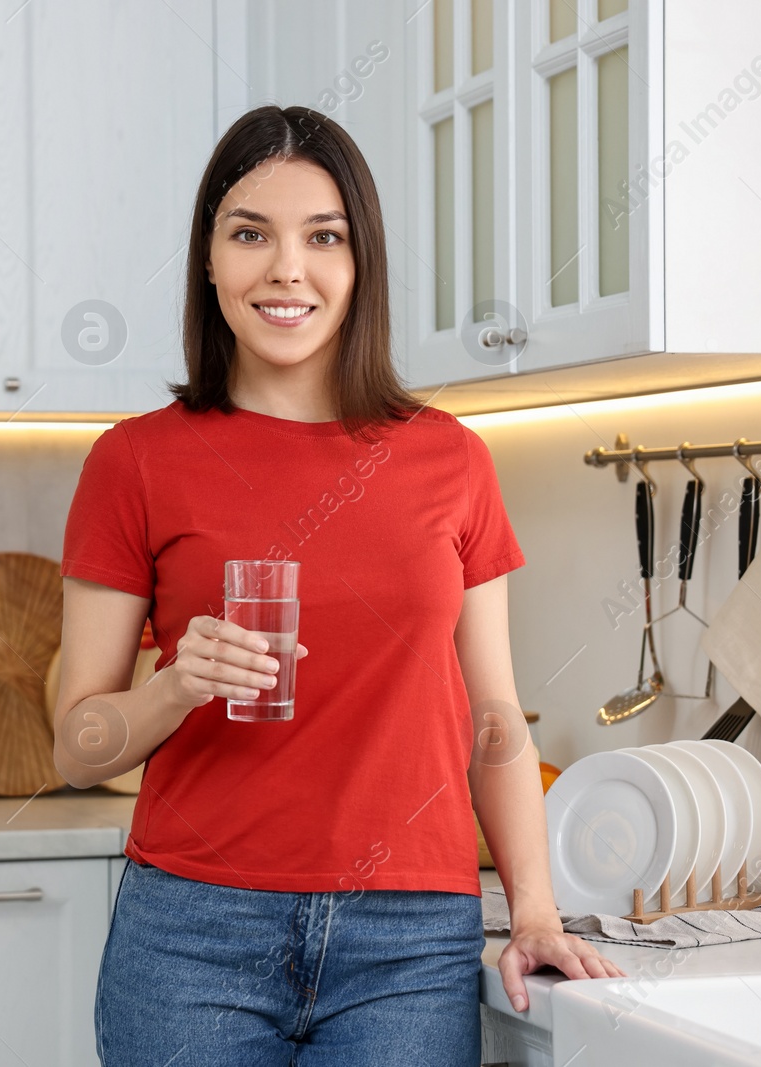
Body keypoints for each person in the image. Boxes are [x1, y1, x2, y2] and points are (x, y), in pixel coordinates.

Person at [56, 104, 623, 1066]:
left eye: (324, 237)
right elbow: (78, 746)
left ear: (361, 266)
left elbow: (494, 715)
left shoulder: (452, 461)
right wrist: (174, 686)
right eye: (251, 234)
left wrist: (532, 905)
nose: (287, 269)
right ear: (208, 260)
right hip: (194, 934)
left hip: (408, 939)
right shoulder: (134, 463)